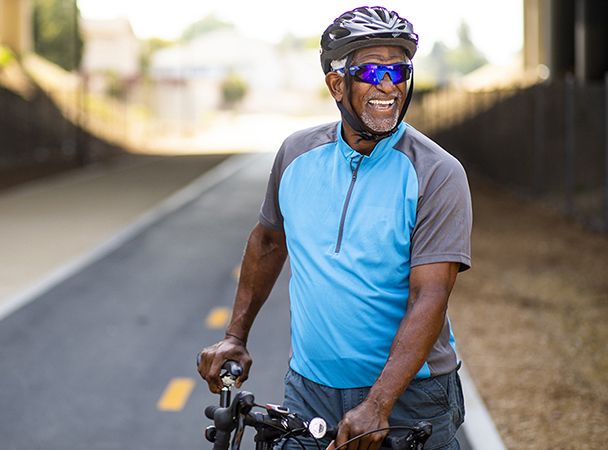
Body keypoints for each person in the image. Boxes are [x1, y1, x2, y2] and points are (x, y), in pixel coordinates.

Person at [197, 6, 472, 450]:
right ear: (337, 83)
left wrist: (379, 404)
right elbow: (268, 241)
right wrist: (235, 336)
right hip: (309, 389)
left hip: (409, 395)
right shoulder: (295, 154)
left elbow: (431, 295)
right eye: (371, 70)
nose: (389, 85)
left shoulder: (437, 172)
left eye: (399, 71)